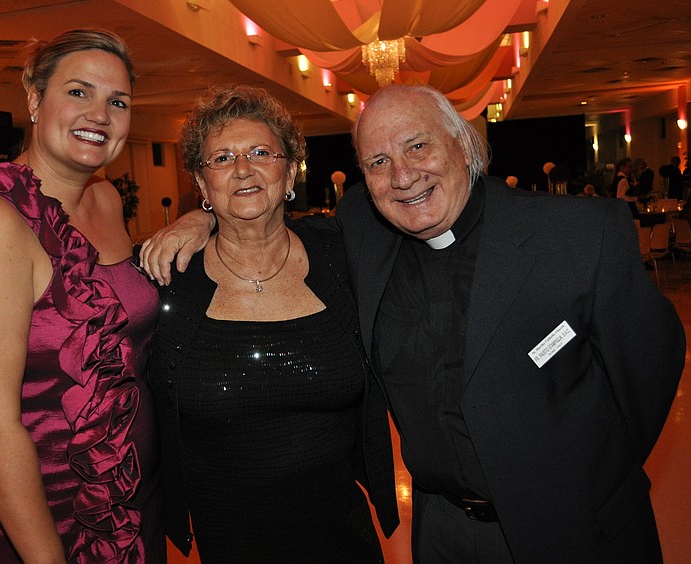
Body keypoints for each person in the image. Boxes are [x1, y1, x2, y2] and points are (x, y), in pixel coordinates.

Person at [141, 84, 685, 564]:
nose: (403, 176)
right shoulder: (361, 233)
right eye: (377, 162)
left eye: (418, 146)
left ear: (464, 144)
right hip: (441, 529)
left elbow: (649, 372)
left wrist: (595, 483)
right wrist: (200, 218)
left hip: (574, 528)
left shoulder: (577, 234)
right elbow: (245, 207)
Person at [0, 29, 164, 562]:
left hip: (127, 490)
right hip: (40, 510)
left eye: (118, 102)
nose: (99, 115)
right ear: (34, 99)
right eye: (78, 92)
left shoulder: (105, 199)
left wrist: (199, 220)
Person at [147, 84, 398, 562]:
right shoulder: (167, 280)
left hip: (344, 538)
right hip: (231, 546)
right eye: (222, 159)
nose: (243, 169)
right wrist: (196, 220)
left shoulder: (343, 253)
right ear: (201, 183)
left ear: (291, 171)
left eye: (261, 153)